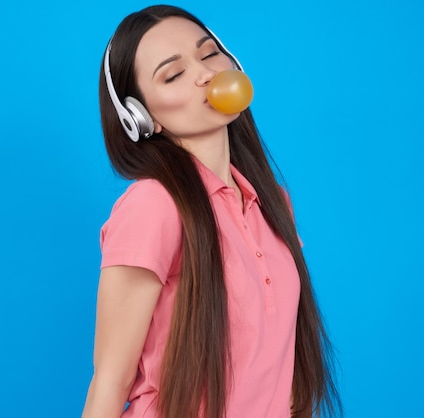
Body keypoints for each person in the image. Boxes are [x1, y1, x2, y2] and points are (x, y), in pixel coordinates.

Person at [81, 5, 342, 418]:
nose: (206, 73)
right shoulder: (152, 205)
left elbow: (281, 370)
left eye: (208, 54)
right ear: (141, 117)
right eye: (173, 73)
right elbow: (110, 380)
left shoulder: (272, 201)